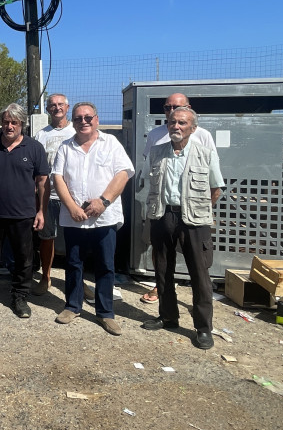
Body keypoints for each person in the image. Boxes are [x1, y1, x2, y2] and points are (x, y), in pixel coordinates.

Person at [142, 106, 225, 350]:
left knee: (199, 275)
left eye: (182, 123)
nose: (176, 127)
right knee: (162, 269)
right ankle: (168, 317)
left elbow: (216, 189)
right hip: (163, 215)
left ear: (193, 128)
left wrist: (200, 210)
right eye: (172, 122)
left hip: (194, 220)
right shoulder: (157, 152)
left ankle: (202, 328)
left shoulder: (205, 152)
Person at [51, 103, 135, 334]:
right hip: (74, 217)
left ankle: (105, 313)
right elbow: (57, 178)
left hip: (104, 218)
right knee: (73, 263)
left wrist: (103, 201)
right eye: (78, 118)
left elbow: (123, 173)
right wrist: (71, 207)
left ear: (96, 119)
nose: (83, 121)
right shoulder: (65, 147)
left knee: (105, 265)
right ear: (73, 121)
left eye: (88, 117)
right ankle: (72, 306)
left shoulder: (111, 144)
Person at [0, 103, 49, 318]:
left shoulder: (34, 148)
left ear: (22, 124)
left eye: (14, 122)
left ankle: (20, 297)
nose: (9, 126)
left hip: (23, 214)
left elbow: (42, 181)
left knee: (23, 258)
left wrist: (41, 211)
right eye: (6, 122)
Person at [36, 93, 76, 290]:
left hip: (73, 196)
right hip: (47, 195)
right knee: (46, 238)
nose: (56, 107)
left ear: (67, 107)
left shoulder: (77, 131)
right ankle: (46, 277)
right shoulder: (41, 134)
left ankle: (78, 281)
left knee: (75, 240)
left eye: (60, 104)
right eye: (52, 105)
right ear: (47, 109)